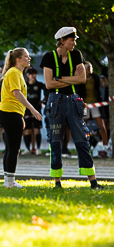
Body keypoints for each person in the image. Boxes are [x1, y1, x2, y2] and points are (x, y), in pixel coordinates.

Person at [41, 27, 104, 189]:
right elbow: (49, 84)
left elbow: (82, 78)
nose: (74, 43)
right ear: (62, 41)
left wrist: (60, 78)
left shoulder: (77, 55)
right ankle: (57, 182)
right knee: (55, 142)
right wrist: (72, 79)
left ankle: (93, 182)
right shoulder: (49, 57)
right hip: (55, 102)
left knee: (82, 139)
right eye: (72, 40)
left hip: (73, 101)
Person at [0, 48, 42, 188]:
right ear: (18, 59)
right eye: (26, 56)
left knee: (11, 148)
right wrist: (32, 109)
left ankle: (8, 181)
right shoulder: (14, 72)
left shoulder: (17, 73)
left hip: (12, 113)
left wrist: (20, 115)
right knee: (14, 148)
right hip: (9, 112)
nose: (29, 59)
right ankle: (10, 182)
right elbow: (17, 94)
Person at [78, 61, 108, 154]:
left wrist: (105, 79)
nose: (89, 70)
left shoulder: (95, 78)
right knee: (84, 126)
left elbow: (104, 85)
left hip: (95, 104)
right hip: (85, 105)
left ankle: (105, 145)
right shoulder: (80, 78)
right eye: (87, 68)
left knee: (101, 125)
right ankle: (84, 145)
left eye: (90, 68)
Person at [21, 67, 46, 156]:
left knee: (37, 130)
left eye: (34, 74)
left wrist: (43, 100)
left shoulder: (39, 84)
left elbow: (48, 90)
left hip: (37, 110)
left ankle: (38, 149)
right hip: (27, 111)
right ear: (27, 75)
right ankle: (27, 148)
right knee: (27, 131)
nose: (33, 76)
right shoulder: (24, 85)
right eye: (31, 74)